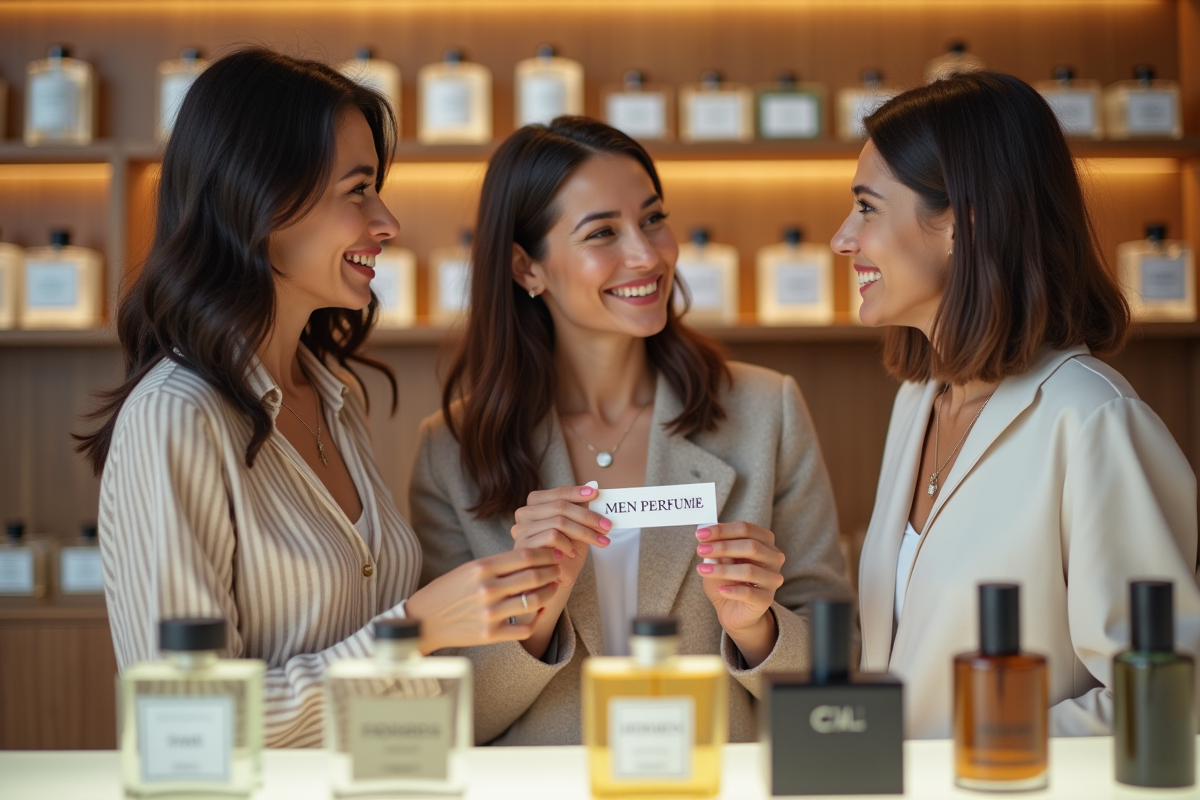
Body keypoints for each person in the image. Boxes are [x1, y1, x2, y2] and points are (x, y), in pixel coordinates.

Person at [76, 48, 561, 747]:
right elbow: (183, 722)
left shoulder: (336, 397)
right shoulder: (176, 417)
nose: (387, 221)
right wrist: (414, 629)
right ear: (263, 202)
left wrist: (526, 603)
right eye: (358, 190)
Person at [410, 117, 852, 745]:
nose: (647, 255)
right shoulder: (451, 450)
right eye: (602, 233)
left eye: (652, 219)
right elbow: (444, 717)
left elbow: (837, 674)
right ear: (525, 267)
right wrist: (534, 616)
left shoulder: (765, 410)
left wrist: (758, 628)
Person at [831, 71, 1200, 738]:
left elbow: (1168, 694)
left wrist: (976, 751)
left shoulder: (1092, 421)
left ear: (961, 222)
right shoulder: (917, 404)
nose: (842, 238)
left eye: (866, 207)